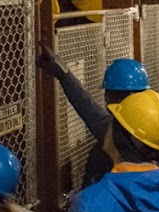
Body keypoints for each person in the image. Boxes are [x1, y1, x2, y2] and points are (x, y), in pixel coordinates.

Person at [39, 47, 149, 188]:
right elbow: (87, 107)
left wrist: (63, 73)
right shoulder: (158, 131)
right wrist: (64, 74)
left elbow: (86, 106)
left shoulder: (111, 133)